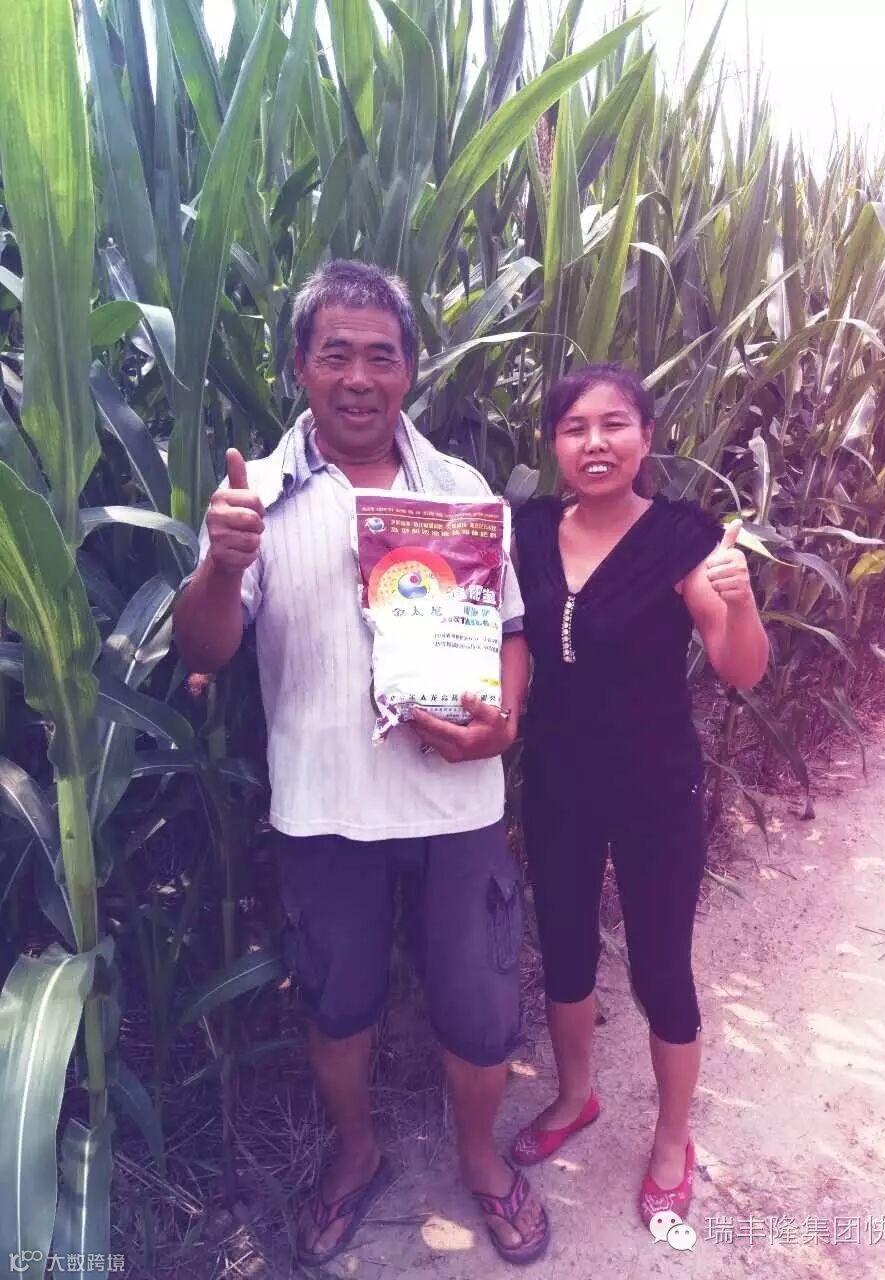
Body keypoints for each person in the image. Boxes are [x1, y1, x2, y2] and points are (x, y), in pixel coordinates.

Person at [173, 261, 549, 1267]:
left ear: (410, 370)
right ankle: (356, 1153)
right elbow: (203, 648)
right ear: (299, 365)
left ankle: (481, 1159)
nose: (358, 377)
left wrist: (505, 721)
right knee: (336, 1007)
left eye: (381, 356)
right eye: (334, 353)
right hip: (326, 808)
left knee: (479, 1008)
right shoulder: (254, 499)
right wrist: (222, 564)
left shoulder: (459, 490)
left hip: (456, 802)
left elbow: (512, 628)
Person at [509, 363, 769, 1225]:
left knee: (661, 965)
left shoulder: (683, 538)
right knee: (565, 948)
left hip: (655, 784)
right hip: (557, 777)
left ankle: (671, 1137)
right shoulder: (529, 532)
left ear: (646, 438)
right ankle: (574, 1096)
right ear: (554, 445)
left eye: (615, 424)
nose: (596, 442)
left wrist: (741, 603)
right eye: (575, 427)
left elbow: (740, 668)